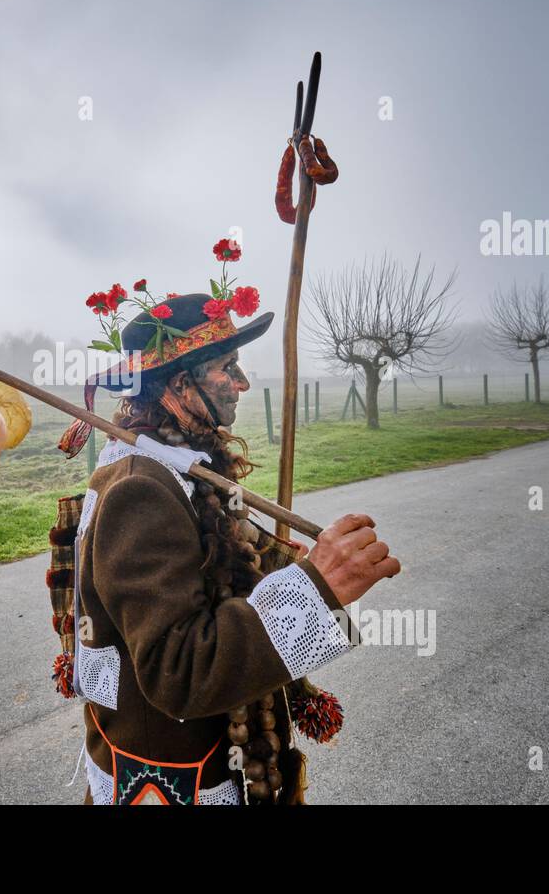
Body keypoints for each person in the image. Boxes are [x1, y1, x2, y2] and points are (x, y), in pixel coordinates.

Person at [57, 287, 401, 805]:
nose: (242, 382)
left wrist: (279, 567)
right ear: (179, 384)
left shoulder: (182, 465)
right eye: (228, 366)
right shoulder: (140, 489)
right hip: (169, 779)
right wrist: (315, 588)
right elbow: (180, 672)